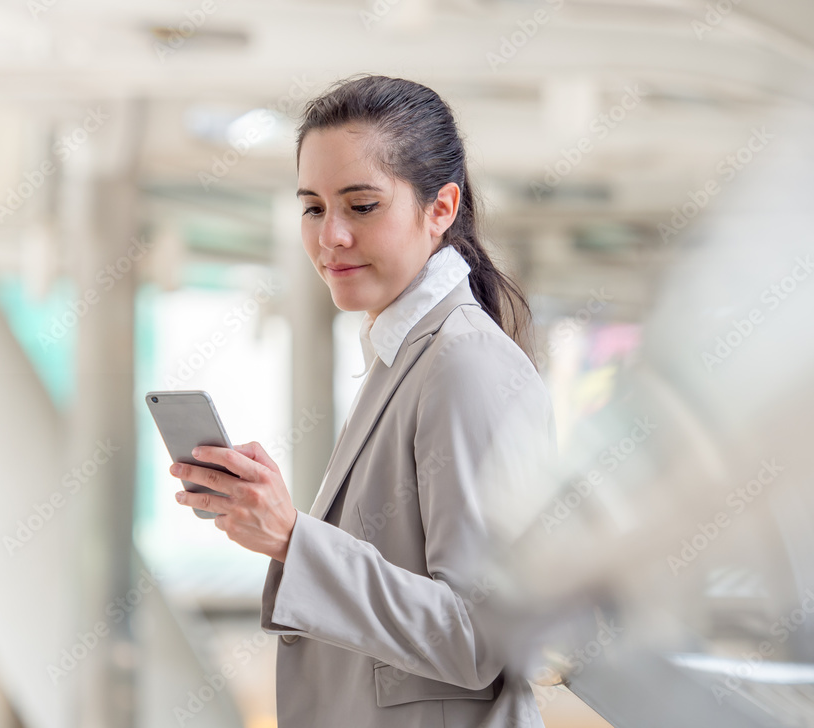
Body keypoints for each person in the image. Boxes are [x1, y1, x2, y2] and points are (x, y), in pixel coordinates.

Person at [171, 73, 557, 727]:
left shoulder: (462, 364)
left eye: (362, 205)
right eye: (314, 207)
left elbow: (481, 637)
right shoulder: (404, 356)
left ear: (440, 208)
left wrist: (296, 539)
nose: (331, 238)